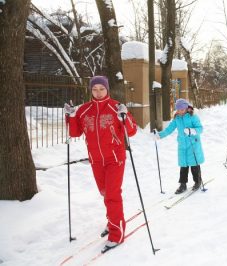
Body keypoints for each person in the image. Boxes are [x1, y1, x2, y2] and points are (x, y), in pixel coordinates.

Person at [64, 76, 137, 253]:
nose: (98, 92)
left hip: (114, 158)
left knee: (112, 194)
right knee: (105, 193)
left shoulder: (116, 107)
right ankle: (112, 219)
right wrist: (71, 116)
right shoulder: (83, 110)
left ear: (107, 89)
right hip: (96, 160)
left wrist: (125, 116)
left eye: (101, 89)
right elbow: (74, 133)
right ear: (91, 90)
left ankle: (116, 233)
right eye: (95, 89)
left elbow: (132, 131)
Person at [154, 99, 205, 194]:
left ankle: (197, 181)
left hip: (193, 144)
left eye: (181, 109)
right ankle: (183, 184)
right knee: (183, 165)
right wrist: (159, 135)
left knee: (194, 165)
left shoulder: (193, 116)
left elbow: (200, 128)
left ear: (186, 108)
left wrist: (192, 131)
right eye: (178, 110)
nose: (179, 111)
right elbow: (169, 129)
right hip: (182, 145)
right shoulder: (176, 119)